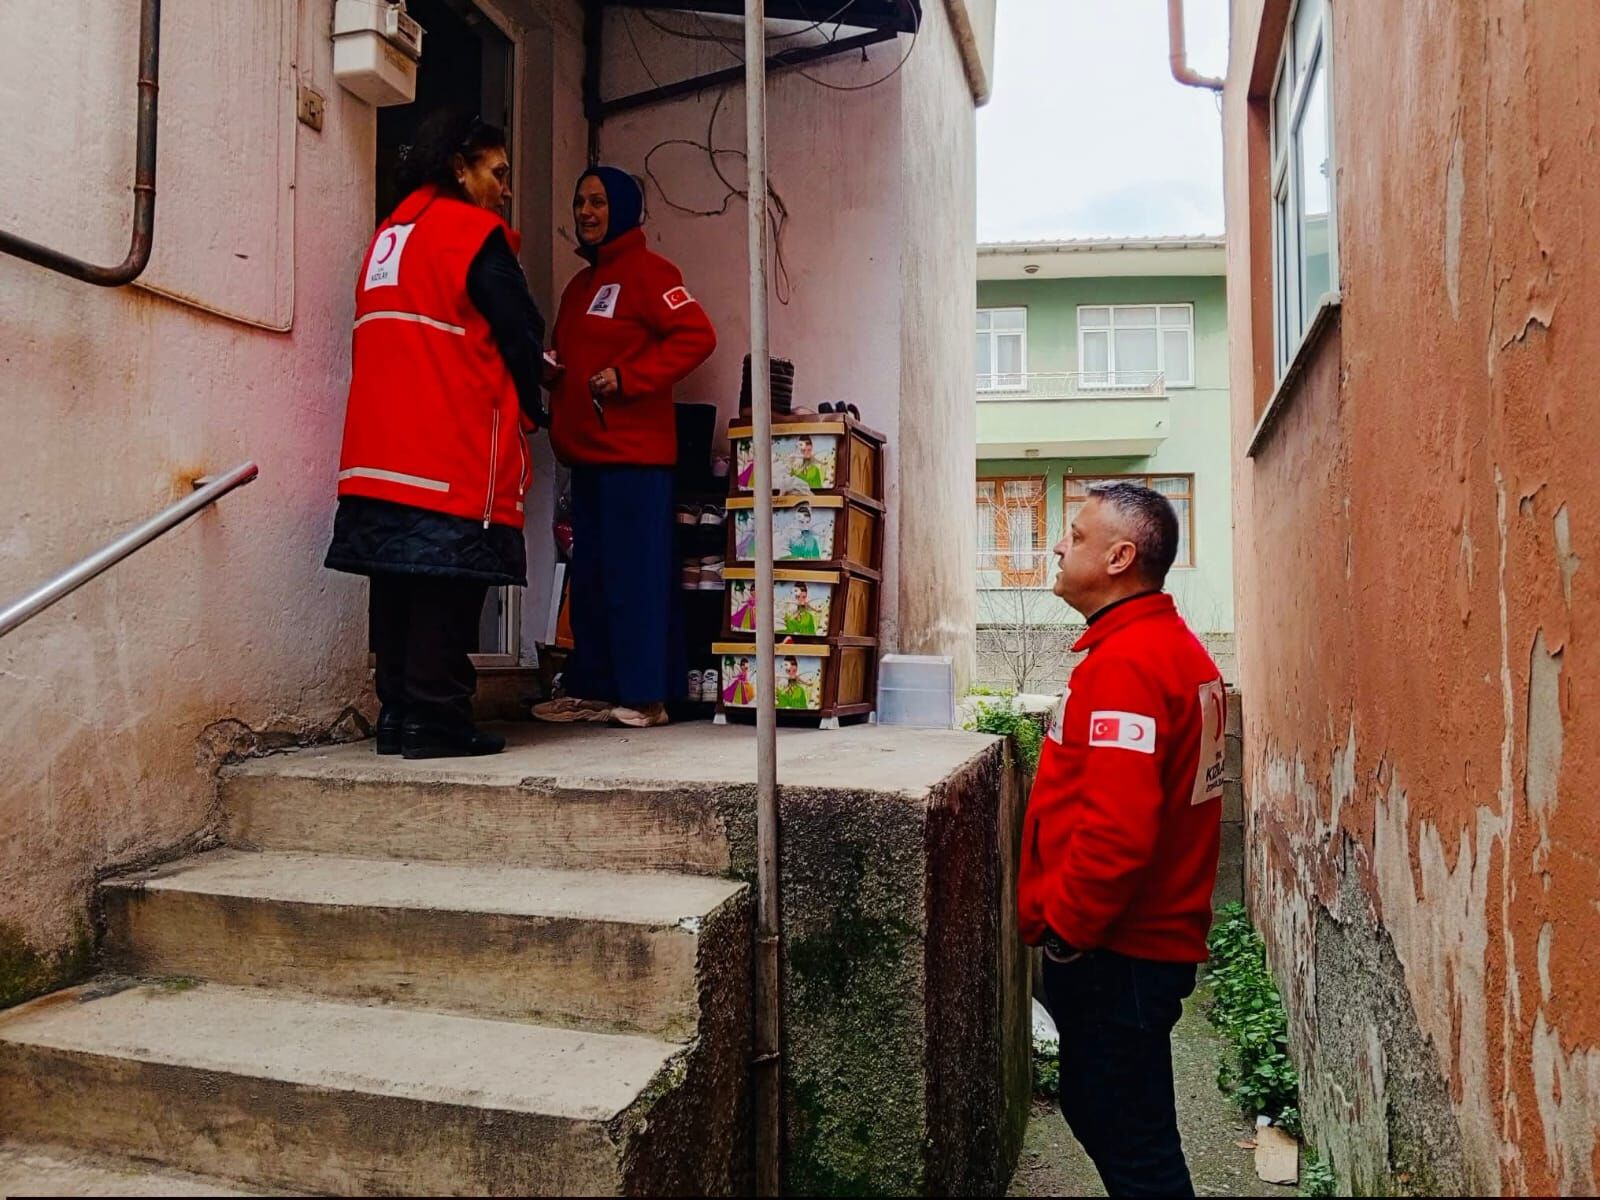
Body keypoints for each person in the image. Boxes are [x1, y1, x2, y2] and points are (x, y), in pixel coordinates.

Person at [1017, 481, 1226, 1198]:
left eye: (1076, 536)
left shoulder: (1131, 664)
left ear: (1119, 557)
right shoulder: (1162, 650)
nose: (1059, 545)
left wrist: (1070, 933)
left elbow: (1117, 831)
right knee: (1104, 1111)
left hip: (1121, 951)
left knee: (1136, 1147)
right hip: (1137, 946)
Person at [325, 110, 547, 760]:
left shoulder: (387, 237)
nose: (505, 189)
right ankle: (438, 718)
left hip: (377, 448)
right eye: (497, 172)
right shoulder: (474, 234)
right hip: (447, 443)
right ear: (461, 166)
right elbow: (520, 330)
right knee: (446, 587)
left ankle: (397, 714)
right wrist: (536, 401)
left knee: (396, 583)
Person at [532, 166, 716, 729]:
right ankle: (593, 688)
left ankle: (646, 696)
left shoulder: (650, 273)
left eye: (598, 202)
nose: (585, 212)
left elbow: (697, 335)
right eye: (579, 202)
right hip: (588, 458)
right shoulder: (579, 286)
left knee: (636, 579)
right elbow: (569, 355)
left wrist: (628, 377)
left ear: (625, 208)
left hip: (635, 460)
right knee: (591, 581)